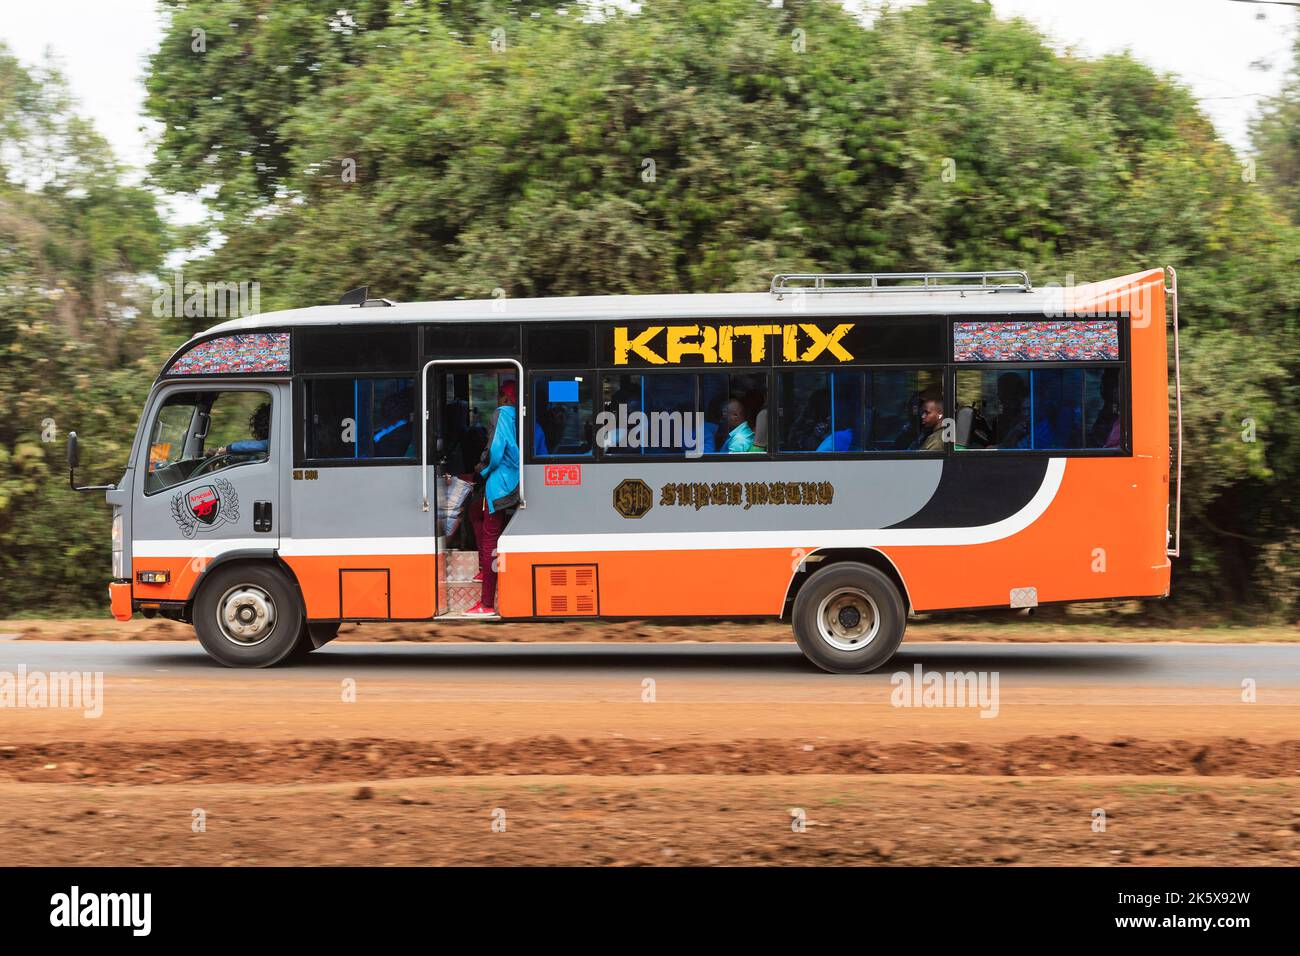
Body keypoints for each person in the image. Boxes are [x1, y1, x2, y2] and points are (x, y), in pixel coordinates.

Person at [465, 380, 520, 616]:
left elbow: (496, 450)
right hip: (513, 480)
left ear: (506, 397)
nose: (498, 399)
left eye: (500, 394)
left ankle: (486, 603)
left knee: (490, 539)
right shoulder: (519, 415)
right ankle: (482, 568)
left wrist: (481, 469)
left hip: (501, 484)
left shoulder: (502, 413)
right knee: (475, 511)